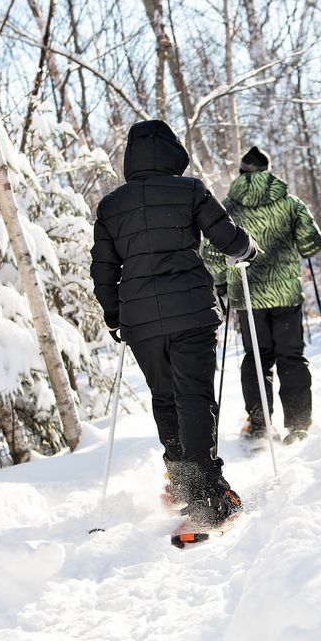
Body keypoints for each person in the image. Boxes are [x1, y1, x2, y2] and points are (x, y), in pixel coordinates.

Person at [90, 120, 256, 526]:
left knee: (165, 397)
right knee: (194, 397)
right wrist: (246, 249)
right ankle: (207, 498)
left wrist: (115, 317)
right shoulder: (190, 191)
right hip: (192, 314)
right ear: (171, 152)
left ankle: (183, 483)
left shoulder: (112, 207)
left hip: (140, 321)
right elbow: (229, 241)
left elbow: (103, 271)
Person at [204, 146, 321, 445]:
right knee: (291, 357)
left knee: (256, 358)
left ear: (242, 173)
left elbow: (213, 254)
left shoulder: (227, 208)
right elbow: (312, 245)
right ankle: (297, 426)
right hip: (286, 295)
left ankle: (259, 423)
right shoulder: (290, 204)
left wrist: (220, 284)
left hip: (248, 297)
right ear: (268, 171)